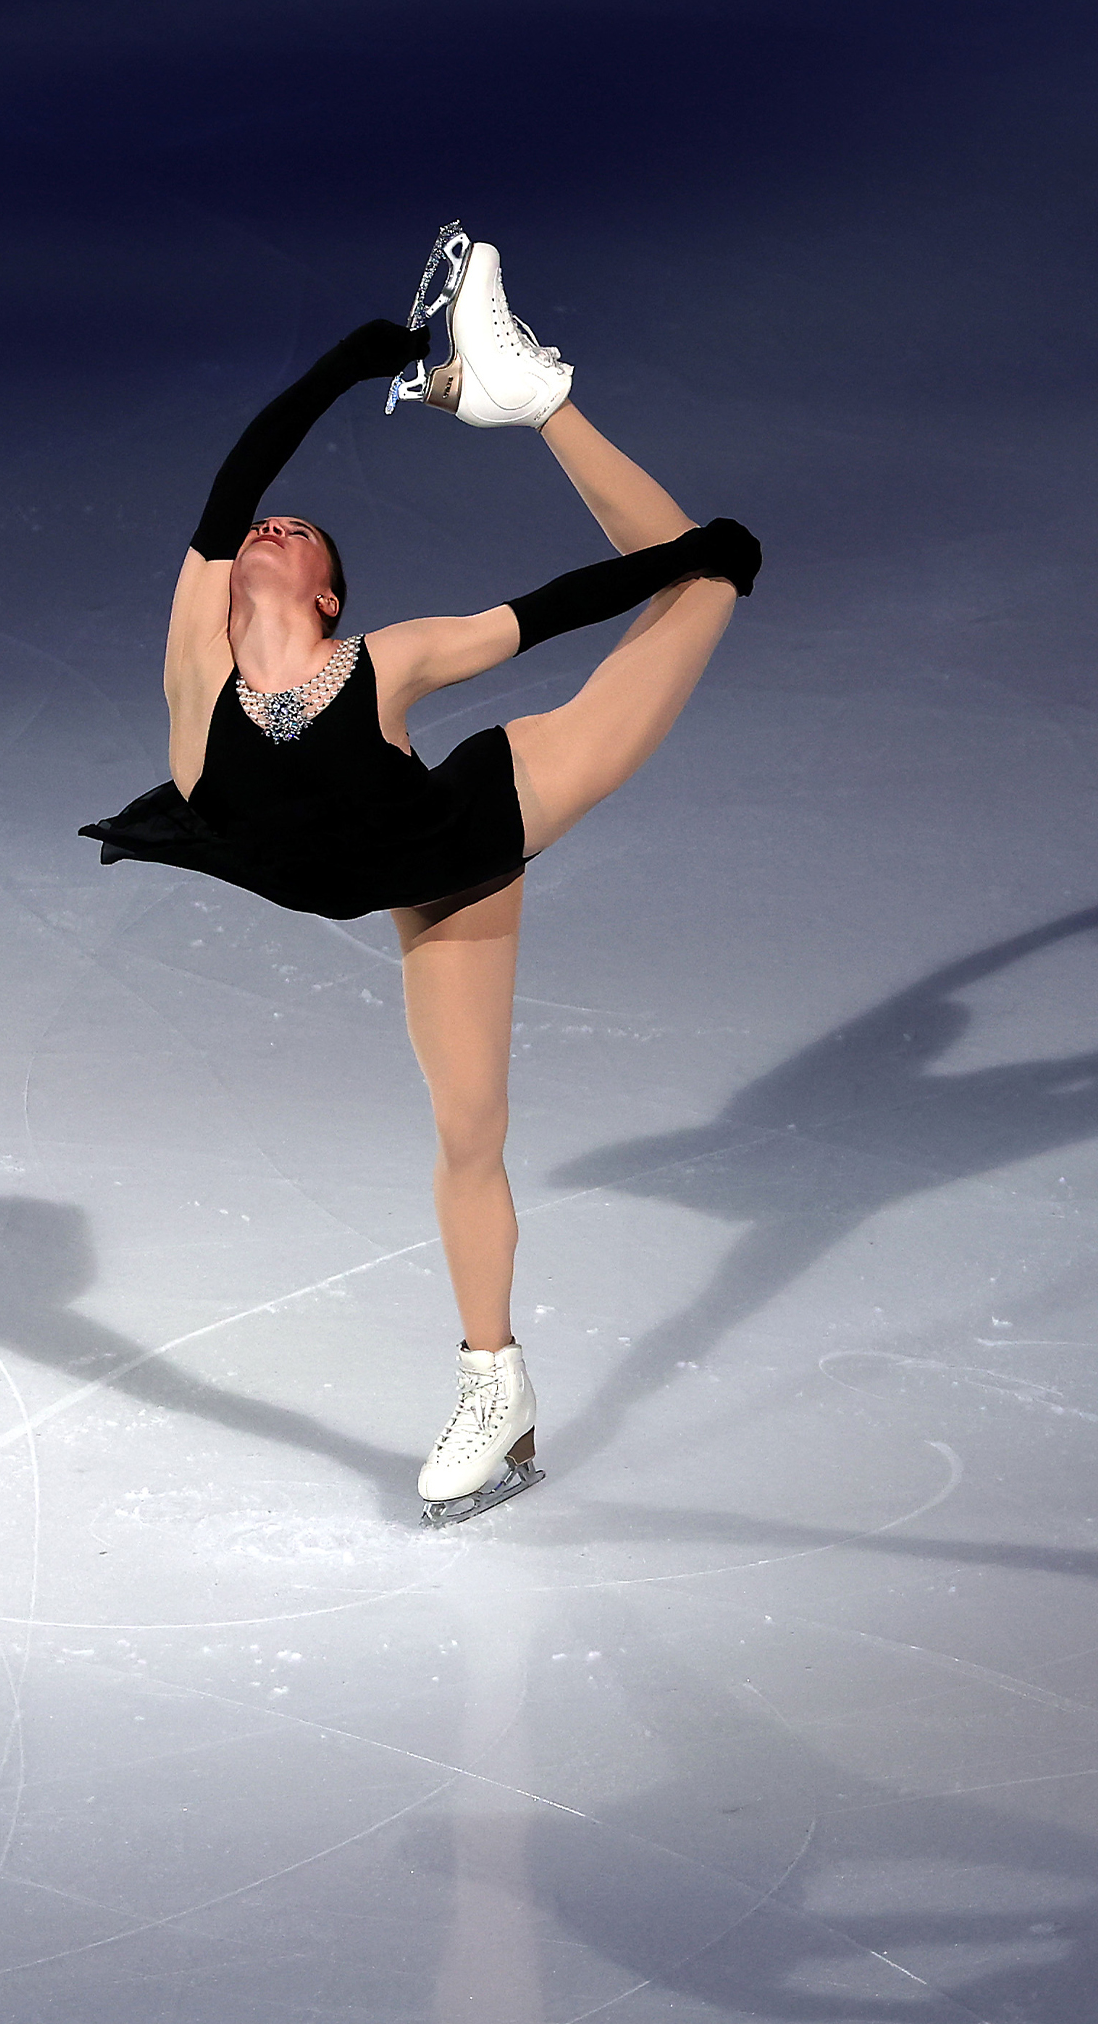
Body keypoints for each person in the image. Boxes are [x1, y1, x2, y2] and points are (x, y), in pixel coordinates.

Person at [81, 234, 760, 1522]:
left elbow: (539, 616)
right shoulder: (193, 660)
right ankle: (502, 1392)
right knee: (466, 1134)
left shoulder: (385, 661)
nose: (271, 532)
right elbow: (238, 483)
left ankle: (538, 401)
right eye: (262, 538)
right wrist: (345, 366)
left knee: (709, 575)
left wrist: (671, 562)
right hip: (367, 870)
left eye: (300, 536)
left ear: (330, 594)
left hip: (462, 839)